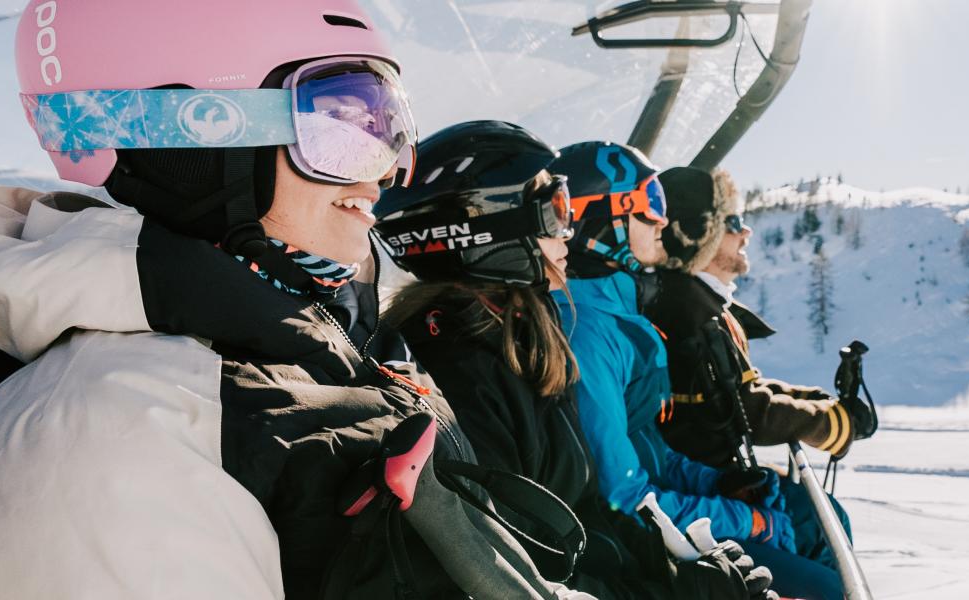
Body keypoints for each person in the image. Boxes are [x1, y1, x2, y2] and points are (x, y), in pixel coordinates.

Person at [0, 2, 588, 598]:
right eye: (341, 120)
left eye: (389, 123)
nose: (389, 167)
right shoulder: (109, 450)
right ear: (193, 138)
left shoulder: (326, 343)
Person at [374, 120, 774, 599]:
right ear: (488, 225)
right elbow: (508, 573)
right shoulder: (455, 372)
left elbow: (583, 510)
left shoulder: (526, 341)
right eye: (555, 211)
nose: (568, 233)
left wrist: (667, 565)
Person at [548, 143, 841, 600]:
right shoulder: (589, 333)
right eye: (650, 207)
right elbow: (624, 497)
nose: (663, 222)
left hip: (661, 520)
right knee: (825, 588)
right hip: (634, 542)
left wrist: (717, 483)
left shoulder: (622, 316)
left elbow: (651, 451)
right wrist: (749, 522)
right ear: (605, 222)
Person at [641, 166, 874, 575]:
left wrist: (816, 400)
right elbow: (748, 409)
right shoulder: (685, 317)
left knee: (826, 517)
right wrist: (832, 423)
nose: (745, 232)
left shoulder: (704, 306)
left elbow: (743, 386)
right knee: (828, 565)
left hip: (722, 482)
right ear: (699, 234)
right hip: (706, 493)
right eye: (731, 222)